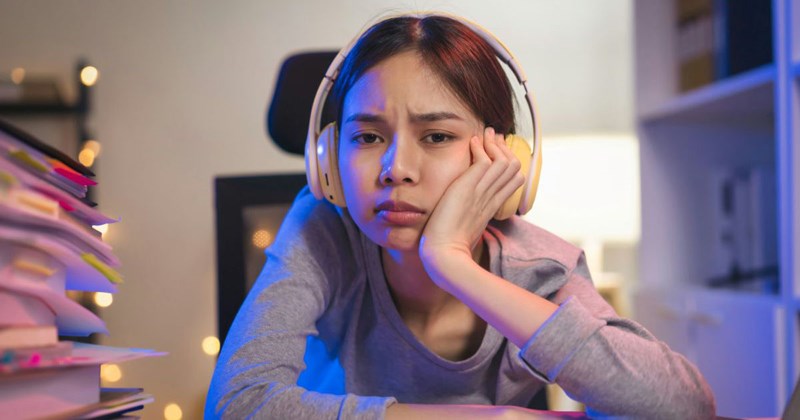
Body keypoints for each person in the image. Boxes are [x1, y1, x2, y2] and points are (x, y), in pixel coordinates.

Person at [206, 13, 716, 419]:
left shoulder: (540, 268)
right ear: (327, 162)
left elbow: (681, 408)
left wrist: (452, 262)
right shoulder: (322, 231)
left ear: (504, 156)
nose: (396, 169)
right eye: (367, 137)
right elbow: (236, 405)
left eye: (437, 136)